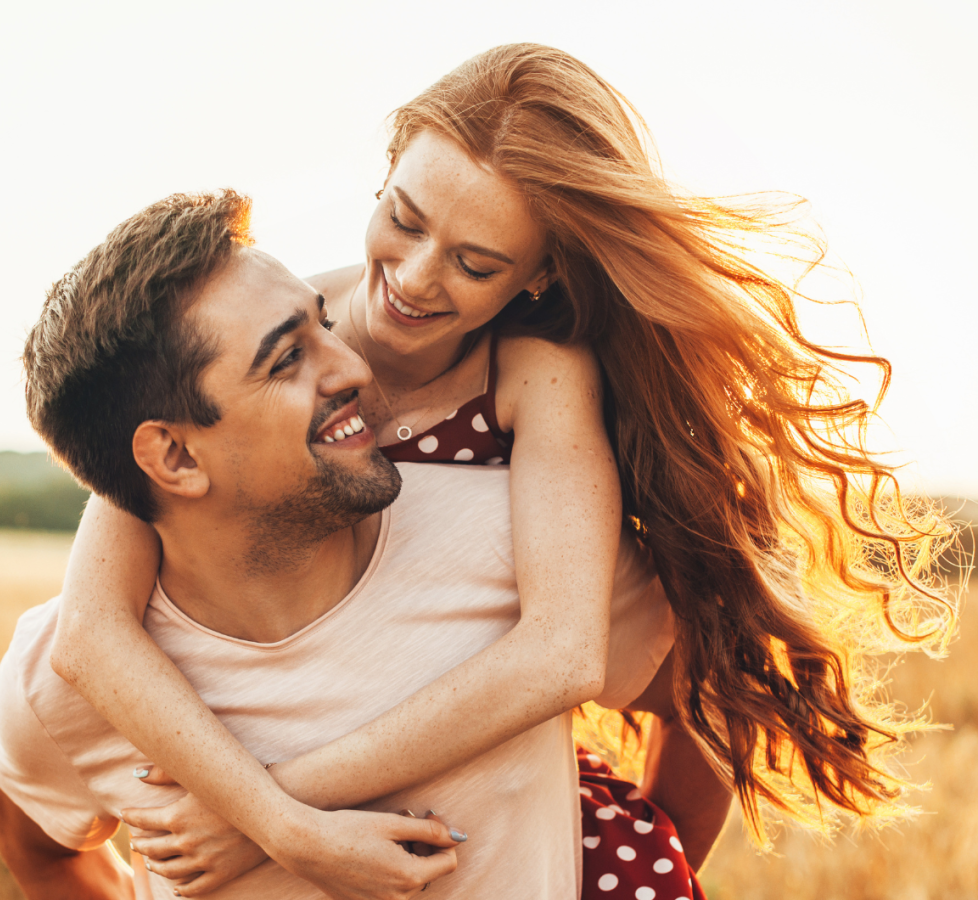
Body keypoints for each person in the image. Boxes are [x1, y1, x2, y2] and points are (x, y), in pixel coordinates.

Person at [50, 42, 954, 896]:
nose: (412, 278)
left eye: (476, 264)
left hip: (514, 822)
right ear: (389, 164)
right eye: (402, 220)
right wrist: (281, 826)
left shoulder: (536, 376)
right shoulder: (262, 344)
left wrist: (269, 814)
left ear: (537, 275)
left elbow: (563, 656)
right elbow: (91, 629)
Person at [0, 189, 684, 899]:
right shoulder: (62, 676)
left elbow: (697, 703)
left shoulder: (514, 546)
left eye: (325, 321)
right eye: (287, 359)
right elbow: (39, 850)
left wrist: (639, 876)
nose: (355, 368)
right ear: (175, 459)